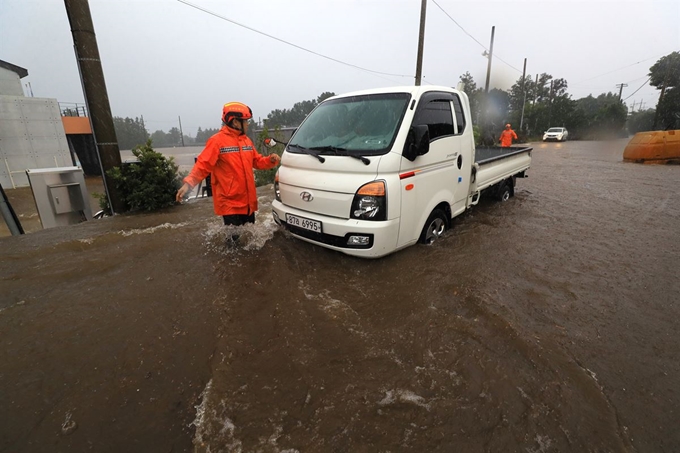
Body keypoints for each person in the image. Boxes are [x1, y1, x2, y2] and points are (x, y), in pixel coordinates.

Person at [176, 102, 280, 227]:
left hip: (248, 202)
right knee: (234, 242)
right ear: (235, 122)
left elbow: (256, 161)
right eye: (245, 121)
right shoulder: (217, 141)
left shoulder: (246, 141)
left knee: (250, 238)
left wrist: (270, 160)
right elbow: (203, 164)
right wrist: (189, 184)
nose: (247, 124)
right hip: (230, 203)